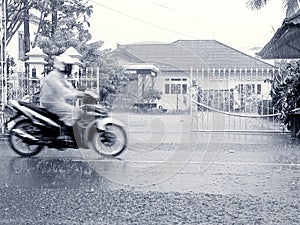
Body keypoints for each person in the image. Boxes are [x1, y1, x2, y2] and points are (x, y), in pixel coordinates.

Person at [40, 53, 86, 139]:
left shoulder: (60, 76)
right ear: (62, 66)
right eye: (68, 66)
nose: (70, 68)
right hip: (51, 102)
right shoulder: (53, 76)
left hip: (56, 101)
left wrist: (81, 93)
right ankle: (63, 134)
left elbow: (69, 87)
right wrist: (76, 95)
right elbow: (63, 91)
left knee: (76, 111)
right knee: (73, 112)